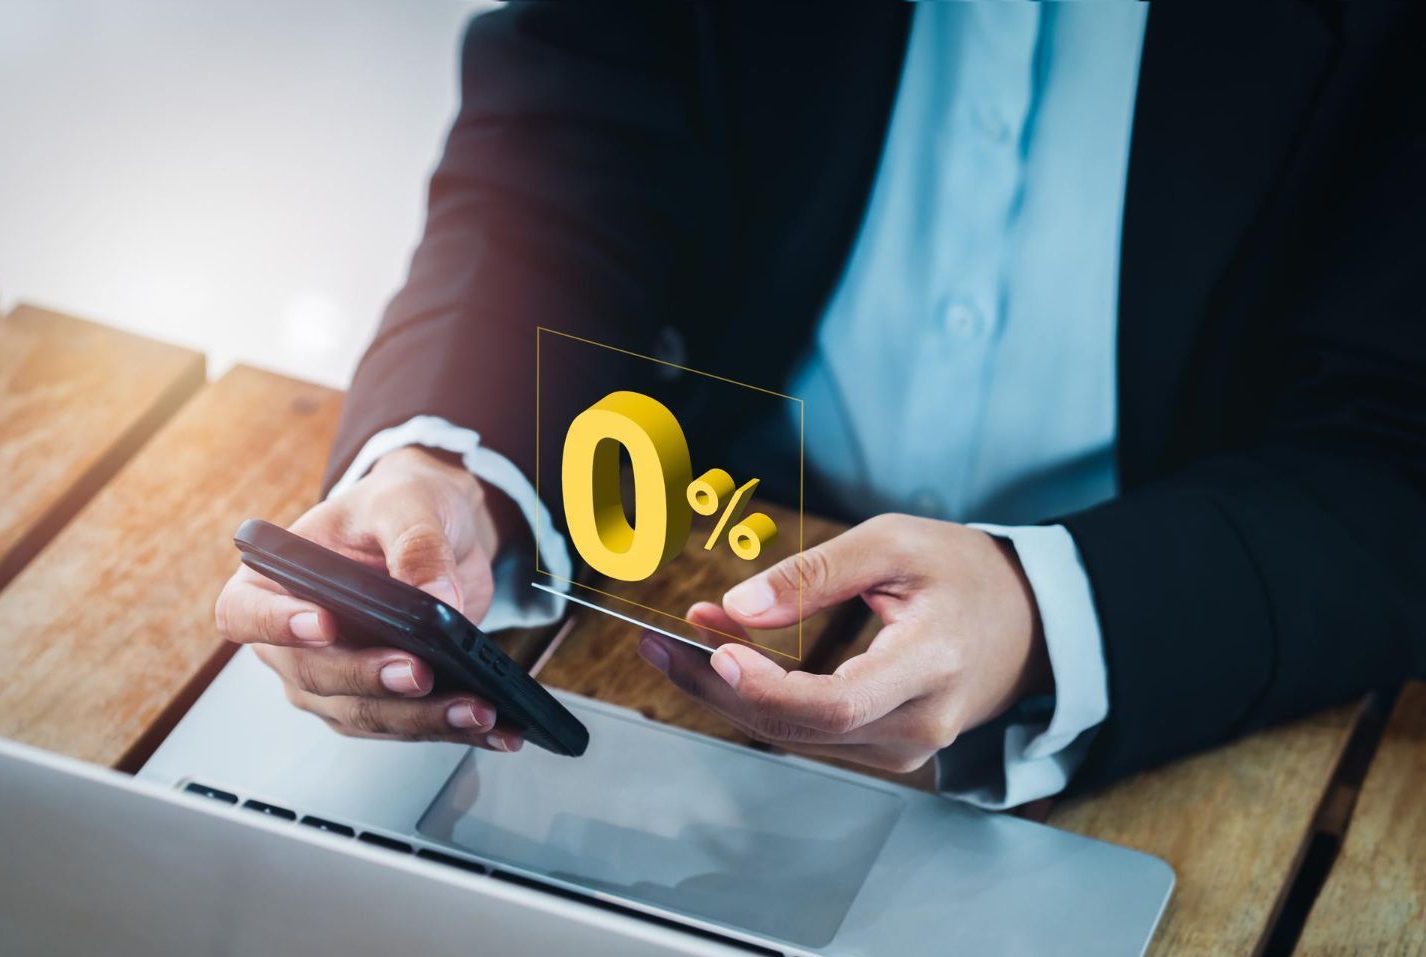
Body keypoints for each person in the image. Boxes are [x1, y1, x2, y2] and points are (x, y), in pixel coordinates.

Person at [216, 2, 1426, 806]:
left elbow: (1397, 451)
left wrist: (1052, 613)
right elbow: (569, 150)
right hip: (683, 583)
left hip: (1215, 689)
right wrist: (447, 462)